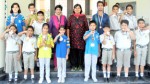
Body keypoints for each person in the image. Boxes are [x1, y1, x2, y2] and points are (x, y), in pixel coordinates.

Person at [67, 4, 88, 71]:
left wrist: (85, 36)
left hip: (81, 37)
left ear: (81, 9)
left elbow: (86, 27)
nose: (77, 9)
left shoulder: (83, 17)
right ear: (73, 9)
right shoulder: (71, 17)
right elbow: (68, 27)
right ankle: (73, 66)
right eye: (75, 8)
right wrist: (68, 36)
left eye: (78, 8)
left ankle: (80, 66)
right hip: (72, 37)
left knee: (80, 52)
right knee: (73, 51)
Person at [49, 5, 68, 71]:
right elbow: (50, 28)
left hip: (63, 37)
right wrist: (51, 37)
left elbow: (66, 27)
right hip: (55, 36)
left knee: (62, 50)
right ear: (55, 10)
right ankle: (56, 65)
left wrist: (66, 35)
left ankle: (62, 65)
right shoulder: (52, 17)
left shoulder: (64, 17)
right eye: (57, 9)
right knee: (55, 51)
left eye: (59, 9)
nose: (58, 11)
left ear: (61, 10)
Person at [92, 1, 110, 71]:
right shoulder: (94, 16)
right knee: (96, 50)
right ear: (97, 6)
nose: (100, 6)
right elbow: (92, 26)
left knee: (103, 50)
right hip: (96, 34)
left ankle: (103, 64)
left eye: (101, 5)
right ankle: (96, 64)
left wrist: (107, 34)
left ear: (103, 6)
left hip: (104, 35)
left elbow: (108, 26)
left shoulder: (106, 16)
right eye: (99, 5)